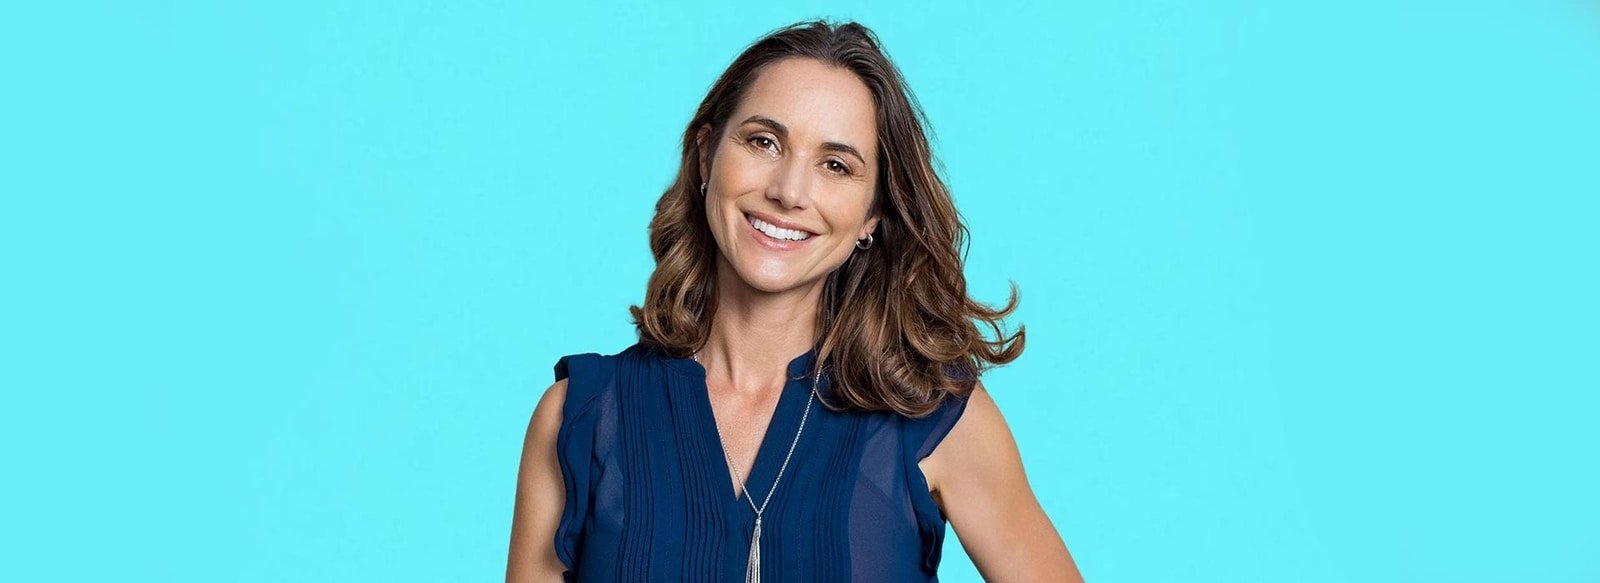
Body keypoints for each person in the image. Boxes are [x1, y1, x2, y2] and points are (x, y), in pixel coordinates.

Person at [508, 19, 1083, 582]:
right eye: (764, 142)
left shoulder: (937, 418)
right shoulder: (579, 418)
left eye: (836, 166)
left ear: (872, 214)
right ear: (707, 156)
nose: (788, 192)